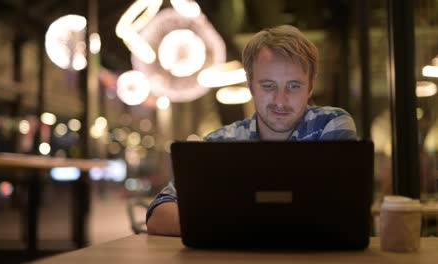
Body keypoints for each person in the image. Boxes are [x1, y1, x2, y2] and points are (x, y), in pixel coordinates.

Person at [146, 25, 357, 236]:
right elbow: (158, 215)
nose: (280, 101)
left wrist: (234, 222)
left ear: (311, 86)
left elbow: (343, 213)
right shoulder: (221, 143)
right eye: (268, 86)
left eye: (293, 86)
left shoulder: (331, 124)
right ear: (250, 85)